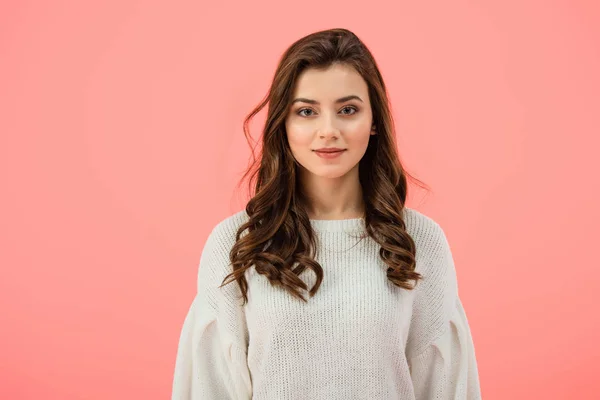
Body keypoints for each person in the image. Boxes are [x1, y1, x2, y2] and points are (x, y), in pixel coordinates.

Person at [171, 28, 482, 399]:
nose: (328, 131)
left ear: (374, 121)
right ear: (284, 126)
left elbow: (445, 386)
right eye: (306, 112)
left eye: (347, 110)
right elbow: (211, 386)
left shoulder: (418, 241)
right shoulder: (237, 242)